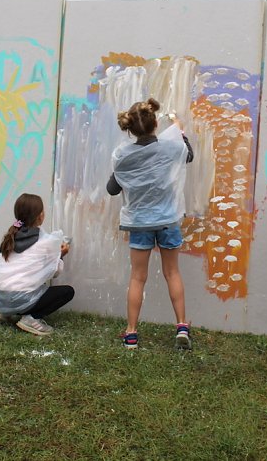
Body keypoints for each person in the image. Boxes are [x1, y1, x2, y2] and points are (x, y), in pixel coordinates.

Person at [107, 97, 194, 350]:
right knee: (172, 273)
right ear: (156, 123)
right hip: (168, 220)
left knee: (137, 278)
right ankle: (181, 327)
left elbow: (112, 188)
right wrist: (180, 131)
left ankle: (131, 333)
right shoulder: (171, 148)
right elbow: (188, 155)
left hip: (139, 223)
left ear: (130, 129)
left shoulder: (123, 156)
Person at [0, 193, 74, 336]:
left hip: (0, 299)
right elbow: (54, 272)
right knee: (67, 292)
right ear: (40, 216)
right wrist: (61, 255)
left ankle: (4, 313)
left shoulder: (11, 237)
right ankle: (31, 319)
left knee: (27, 282)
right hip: (19, 300)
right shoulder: (45, 242)